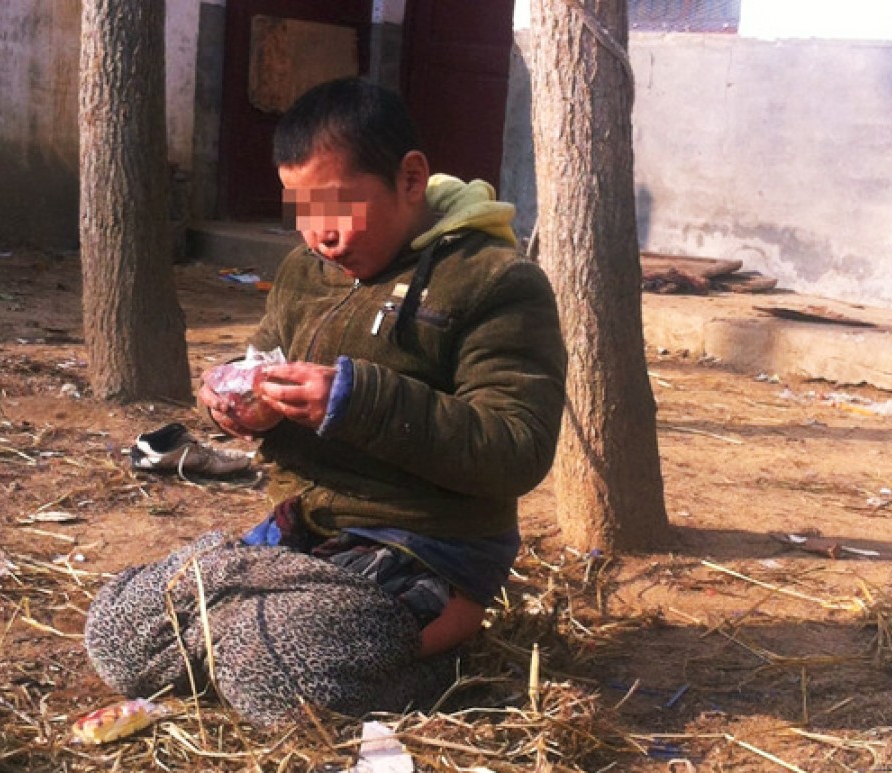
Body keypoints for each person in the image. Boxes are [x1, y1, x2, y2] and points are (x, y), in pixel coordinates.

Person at [84, 77, 567, 726]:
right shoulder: (302, 274)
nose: (319, 237)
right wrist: (238, 404)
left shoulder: (494, 283)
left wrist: (358, 400)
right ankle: (255, 620)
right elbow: (264, 364)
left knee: (275, 667)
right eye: (302, 211)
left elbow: (517, 447)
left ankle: (430, 650)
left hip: (421, 547)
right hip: (304, 533)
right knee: (116, 630)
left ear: (410, 178)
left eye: (337, 207)